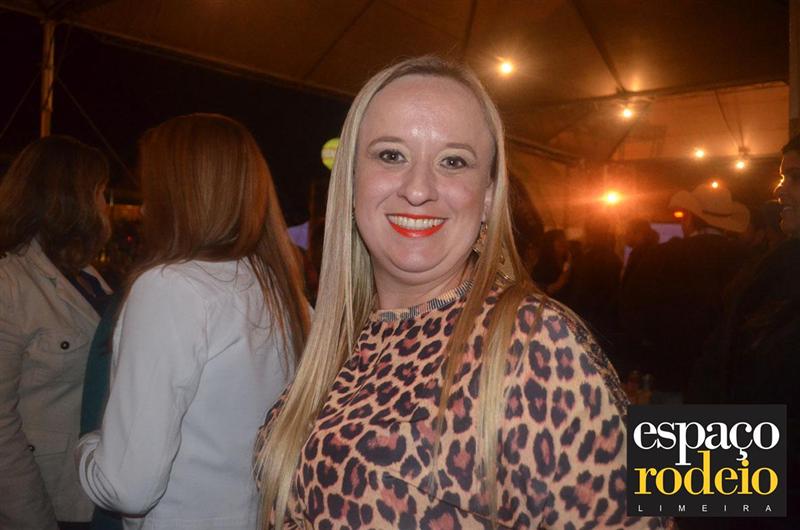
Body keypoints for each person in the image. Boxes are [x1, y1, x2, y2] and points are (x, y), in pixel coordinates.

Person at [254, 57, 668, 529]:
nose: (418, 189)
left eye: (453, 162)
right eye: (391, 155)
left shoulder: (534, 342)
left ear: (489, 196)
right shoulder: (347, 334)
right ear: (351, 181)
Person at [75, 114, 310, 529]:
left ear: (182, 197)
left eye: (154, 190)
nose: (145, 207)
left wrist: (86, 449)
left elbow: (127, 486)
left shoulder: (171, 288)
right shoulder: (282, 292)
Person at [683, 136, 800, 530]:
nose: (780, 190)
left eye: (796, 177)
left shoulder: (773, 269)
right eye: (783, 177)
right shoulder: (774, 266)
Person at [0, 136, 112, 529]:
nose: (106, 205)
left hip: (89, 491)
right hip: (46, 501)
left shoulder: (87, 277)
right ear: (71, 200)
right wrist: (34, 520)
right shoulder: (9, 283)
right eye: (100, 192)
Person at [619, 183, 748, 401]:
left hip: (670, 371)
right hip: (725, 379)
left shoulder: (663, 255)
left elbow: (632, 306)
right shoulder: (746, 259)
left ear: (688, 218)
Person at [531, 229, 571, 298]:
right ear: (550, 243)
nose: (563, 242)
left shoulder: (566, 259)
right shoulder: (542, 266)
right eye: (559, 240)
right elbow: (553, 288)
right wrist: (568, 263)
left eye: (564, 239)